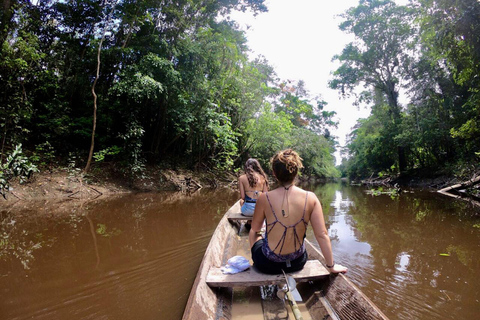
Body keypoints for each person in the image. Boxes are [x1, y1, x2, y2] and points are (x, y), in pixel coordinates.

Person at [249, 149, 348, 275]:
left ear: (274, 173)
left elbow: (255, 228)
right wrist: (331, 266)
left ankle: (256, 264)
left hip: (268, 264)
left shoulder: (264, 198)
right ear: (296, 172)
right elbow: (322, 234)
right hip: (297, 262)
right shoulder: (311, 197)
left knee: (253, 233)